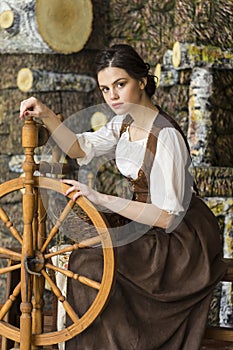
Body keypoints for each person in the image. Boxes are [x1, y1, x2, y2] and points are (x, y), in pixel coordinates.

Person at [19, 44, 226, 350]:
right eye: (105, 88)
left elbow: (168, 216)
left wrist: (100, 198)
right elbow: (78, 147)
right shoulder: (123, 123)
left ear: (141, 80)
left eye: (120, 84)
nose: (112, 96)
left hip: (181, 240)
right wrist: (46, 113)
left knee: (92, 263)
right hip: (149, 222)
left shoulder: (165, 136)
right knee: (86, 251)